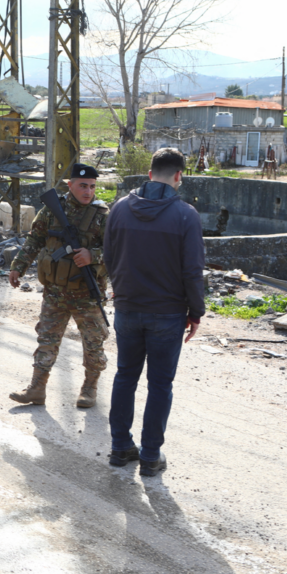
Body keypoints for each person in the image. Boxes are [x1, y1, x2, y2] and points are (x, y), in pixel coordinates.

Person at [104, 147, 205, 477]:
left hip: (127, 308)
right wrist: (196, 312)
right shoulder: (186, 215)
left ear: (149, 174)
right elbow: (192, 271)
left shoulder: (119, 208)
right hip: (167, 313)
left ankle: (120, 447)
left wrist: (122, 290)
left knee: (125, 376)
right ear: (179, 176)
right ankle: (150, 455)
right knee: (160, 384)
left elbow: (109, 257)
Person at [8, 164, 109, 408]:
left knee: (93, 344)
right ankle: (37, 389)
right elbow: (35, 239)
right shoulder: (52, 210)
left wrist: (93, 255)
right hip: (55, 292)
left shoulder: (103, 215)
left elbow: (119, 250)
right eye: (82, 186)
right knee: (47, 340)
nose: (88, 191)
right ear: (70, 185)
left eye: (92, 186)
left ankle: (89, 389)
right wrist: (18, 266)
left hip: (87, 294)